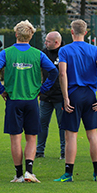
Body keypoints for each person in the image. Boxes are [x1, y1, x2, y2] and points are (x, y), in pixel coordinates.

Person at [0, 20, 58, 183]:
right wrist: (42, 89)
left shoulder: (7, 53)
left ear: (16, 34)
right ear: (31, 35)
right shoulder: (37, 53)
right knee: (31, 137)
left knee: (15, 138)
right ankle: (29, 171)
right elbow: (54, 71)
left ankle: (19, 174)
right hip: (31, 100)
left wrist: (1, 89)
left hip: (13, 100)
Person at [54, 19, 97, 183]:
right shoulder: (95, 49)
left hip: (73, 94)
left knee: (71, 136)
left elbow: (62, 74)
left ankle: (68, 174)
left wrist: (65, 97)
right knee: (93, 136)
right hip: (90, 94)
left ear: (71, 32)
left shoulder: (64, 50)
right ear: (86, 32)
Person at [36, 31, 65, 159]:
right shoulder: (43, 53)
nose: (45, 43)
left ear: (56, 43)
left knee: (62, 125)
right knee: (42, 123)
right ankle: (39, 151)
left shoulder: (65, 53)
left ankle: (64, 152)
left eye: (48, 41)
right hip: (45, 96)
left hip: (61, 96)